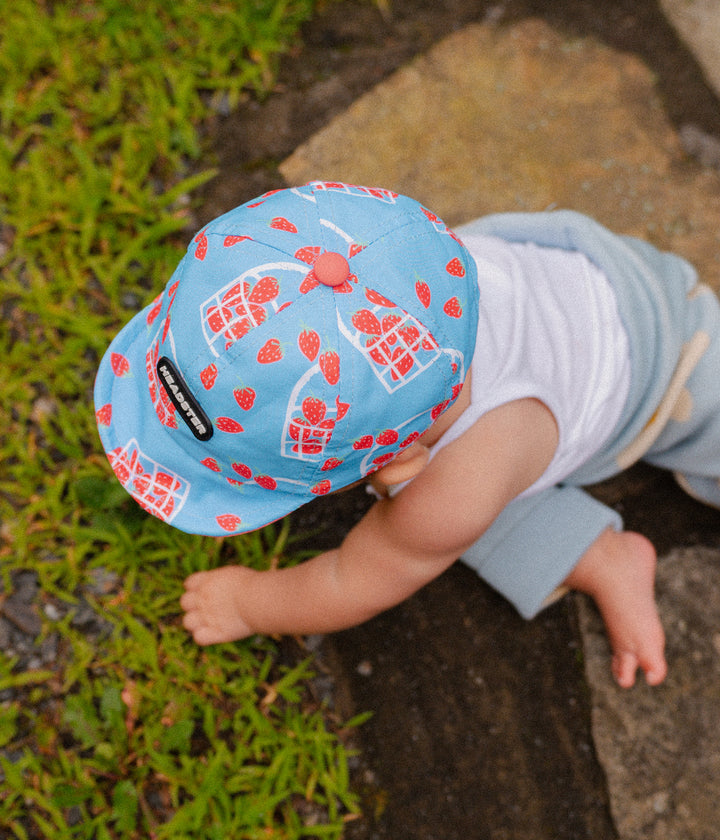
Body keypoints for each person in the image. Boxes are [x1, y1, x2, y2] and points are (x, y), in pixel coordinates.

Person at [95, 181, 720, 689]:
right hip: (570, 265)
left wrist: (249, 604)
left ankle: (603, 537)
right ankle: (605, 556)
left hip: (671, 365)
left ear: (396, 465)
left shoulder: (447, 490)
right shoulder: (380, 263)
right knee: (457, 512)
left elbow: (351, 582)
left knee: (440, 522)